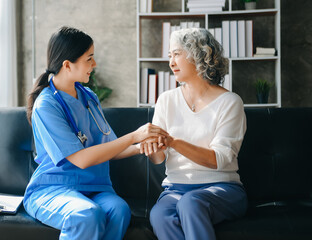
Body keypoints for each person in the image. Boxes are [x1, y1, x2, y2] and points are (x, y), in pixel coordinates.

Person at [24, 26, 167, 240]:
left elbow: (110, 147)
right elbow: (80, 159)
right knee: (85, 214)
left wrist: (141, 147)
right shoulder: (46, 105)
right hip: (54, 188)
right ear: (67, 65)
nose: (94, 64)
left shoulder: (89, 96)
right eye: (89, 58)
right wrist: (134, 136)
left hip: (95, 188)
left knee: (119, 210)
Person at [142, 28, 248, 240]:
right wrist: (152, 148)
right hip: (175, 189)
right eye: (169, 55)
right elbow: (158, 159)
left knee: (191, 203)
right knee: (160, 214)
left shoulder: (230, 102)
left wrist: (174, 142)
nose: (171, 62)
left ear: (200, 55)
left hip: (222, 188)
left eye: (177, 54)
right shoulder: (166, 100)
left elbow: (219, 159)